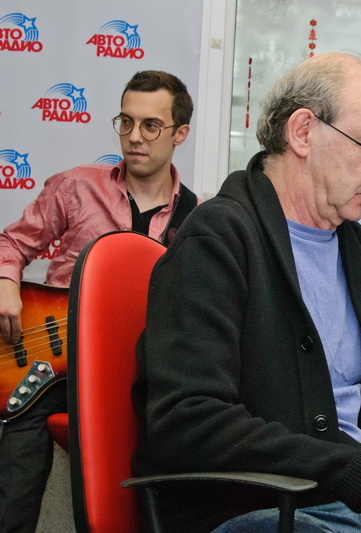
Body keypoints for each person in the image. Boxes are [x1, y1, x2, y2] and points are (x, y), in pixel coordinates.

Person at [131, 51, 361, 533]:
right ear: (303, 132)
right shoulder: (217, 238)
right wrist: (355, 475)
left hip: (335, 499)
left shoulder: (352, 245)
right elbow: (188, 422)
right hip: (251, 508)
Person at [0, 70, 199, 533]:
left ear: (180, 134)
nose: (135, 136)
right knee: (14, 497)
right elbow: (11, 243)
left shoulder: (196, 218)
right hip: (50, 366)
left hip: (133, 375)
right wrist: (7, 282)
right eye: (126, 122)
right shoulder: (75, 186)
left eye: (151, 125)